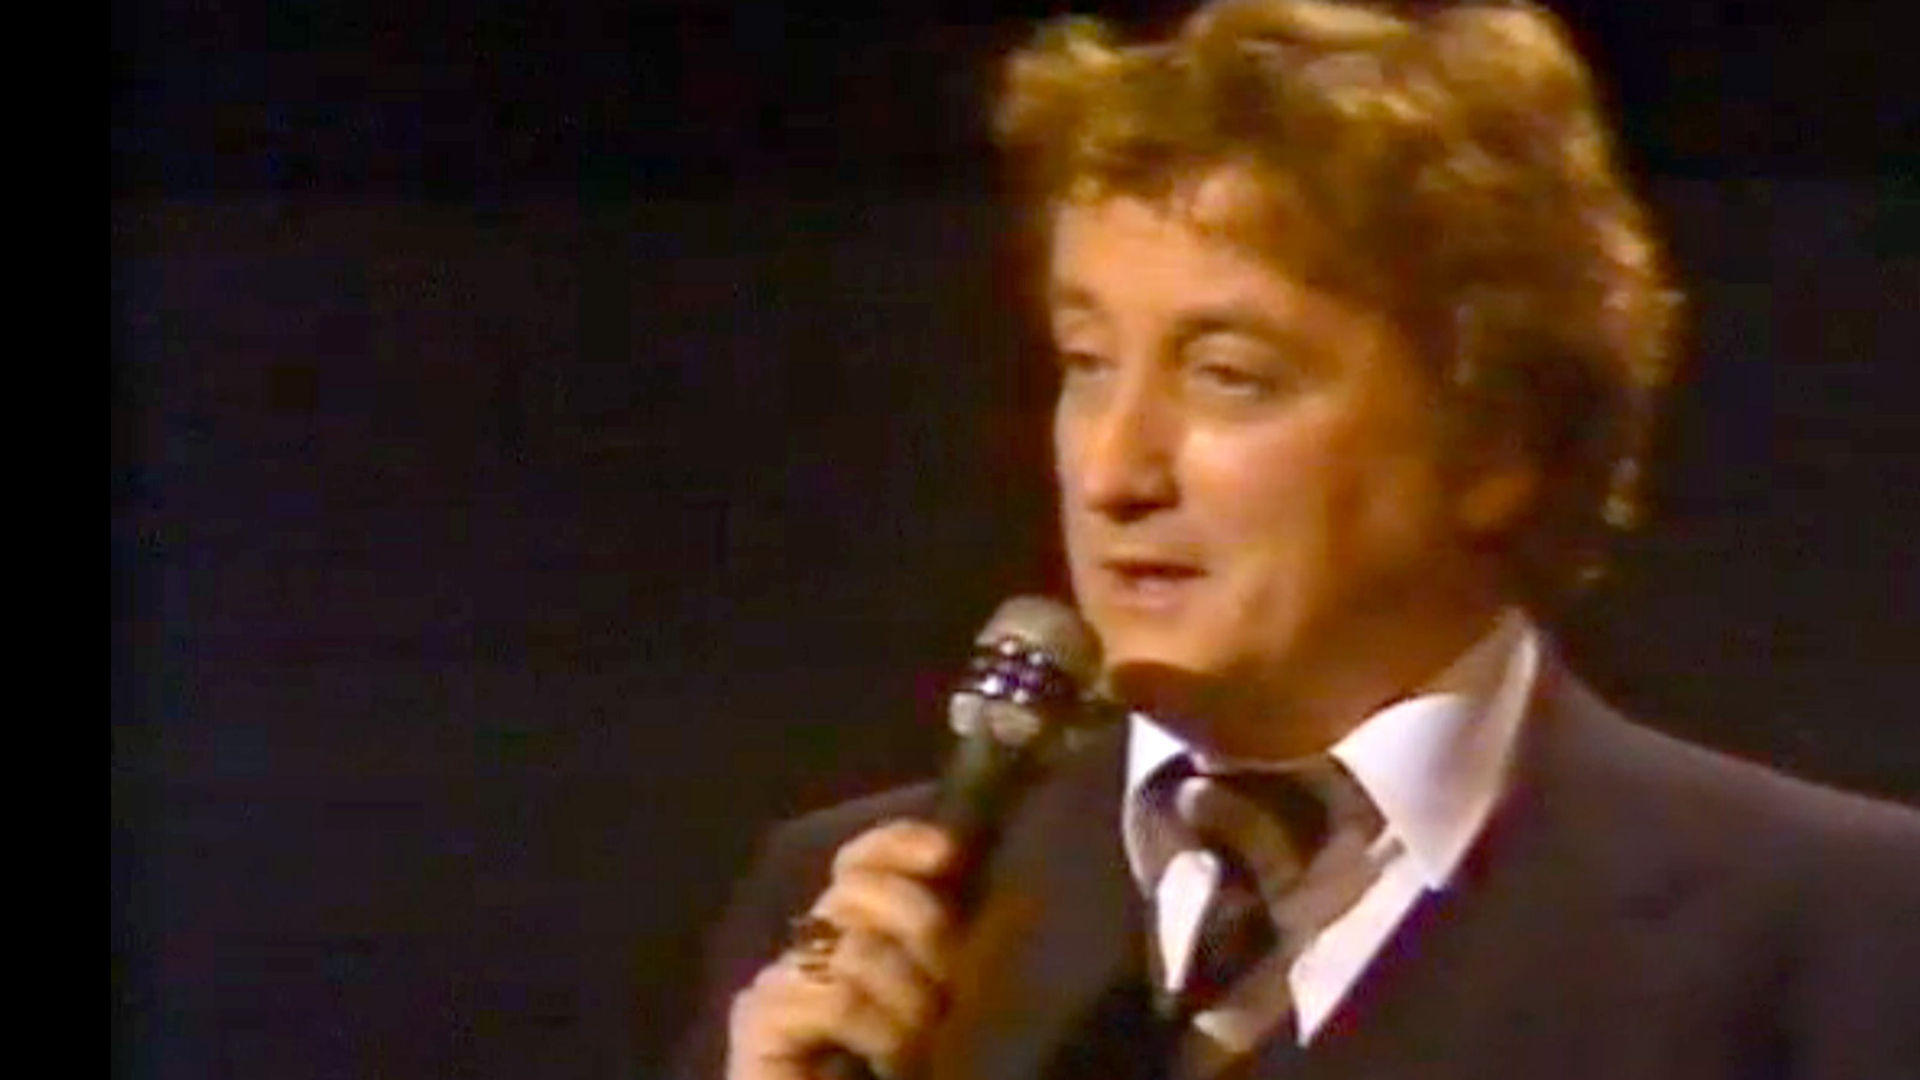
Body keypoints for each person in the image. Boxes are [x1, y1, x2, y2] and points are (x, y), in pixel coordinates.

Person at [670, 2, 1920, 1077]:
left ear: (1496, 436)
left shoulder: (1842, 934)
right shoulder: (846, 922)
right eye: (1087, 363)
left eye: (1230, 376)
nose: (1112, 472)